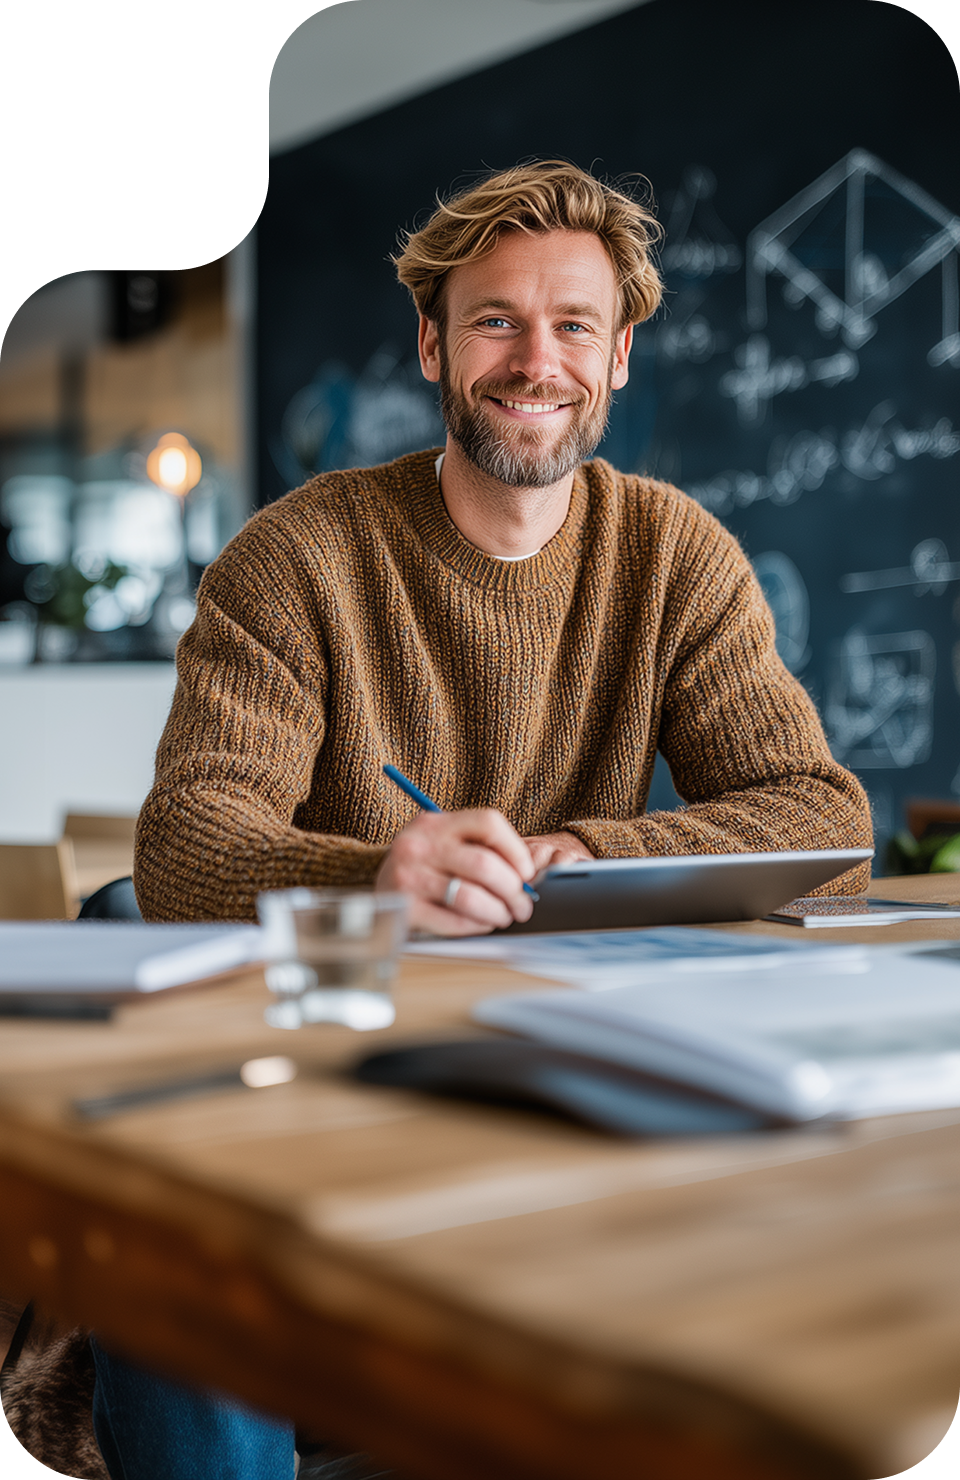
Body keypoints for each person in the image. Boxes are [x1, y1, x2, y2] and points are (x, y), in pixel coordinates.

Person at [92, 159, 873, 1479]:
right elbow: (183, 847)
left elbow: (825, 819)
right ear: (433, 344)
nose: (534, 360)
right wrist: (375, 877)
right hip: (319, 1070)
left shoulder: (676, 553)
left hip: (561, 1065)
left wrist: (591, 850)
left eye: (573, 324)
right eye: (496, 319)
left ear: (620, 358)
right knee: (169, 1230)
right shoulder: (298, 557)